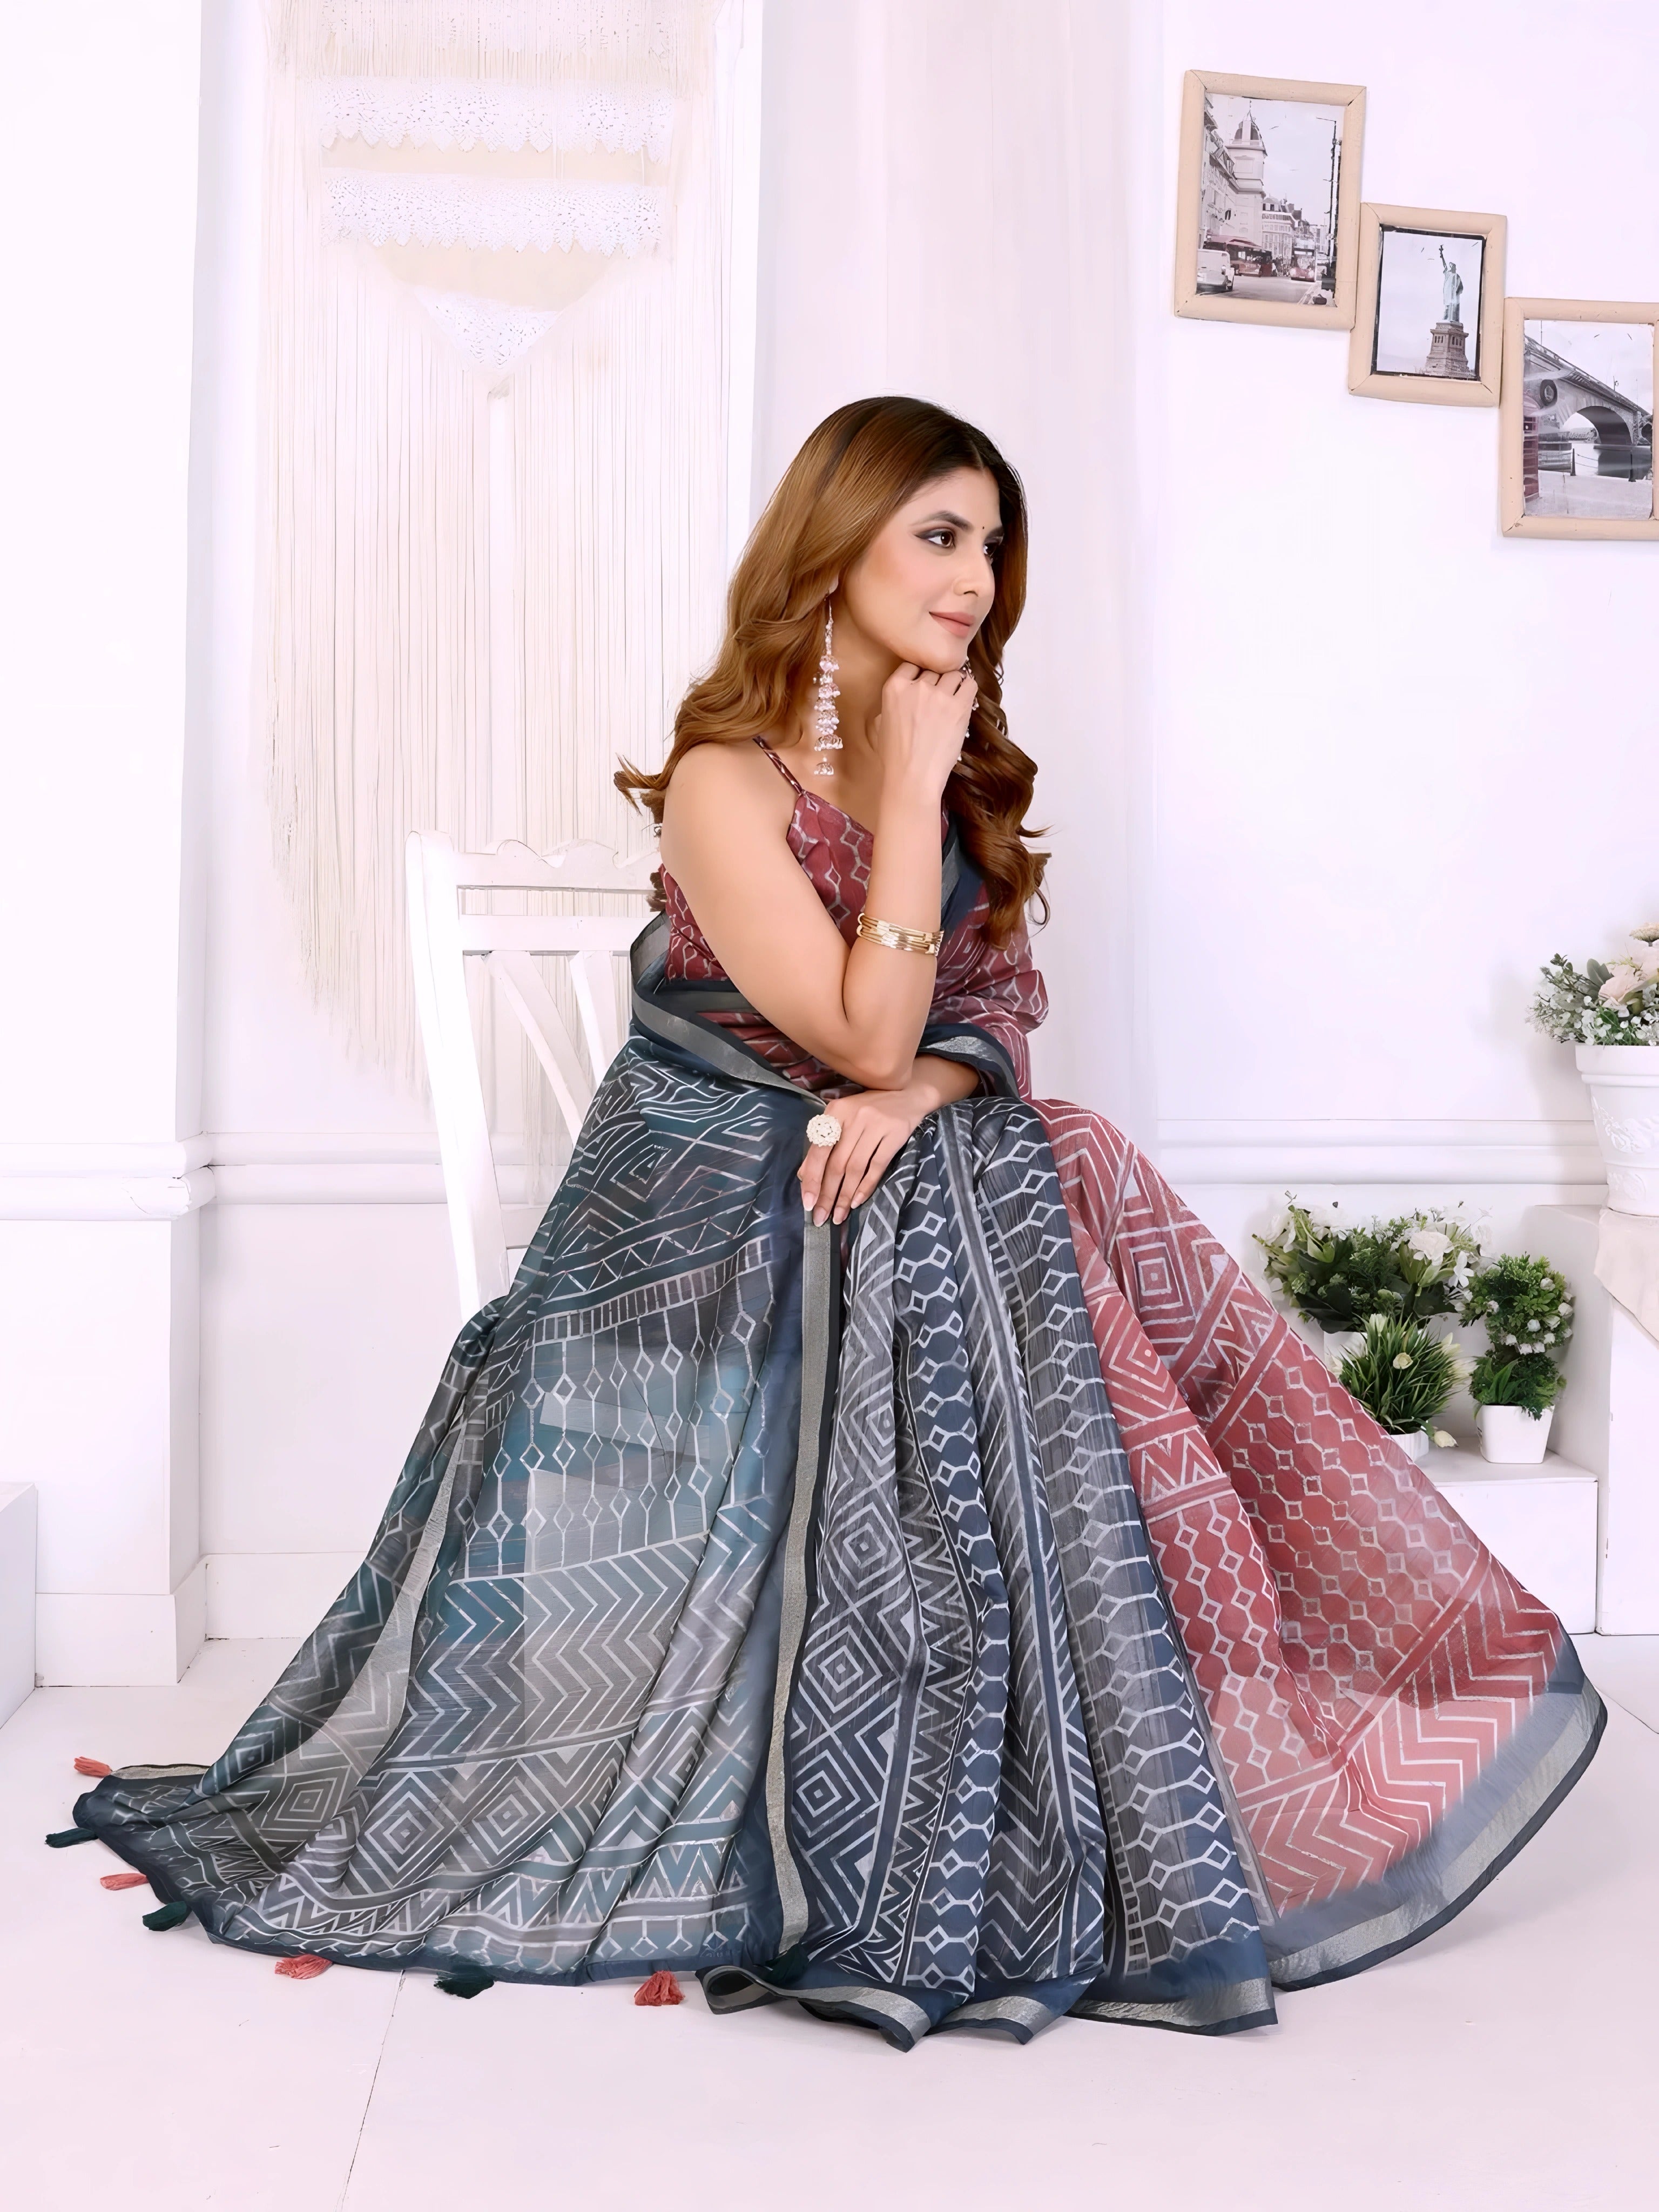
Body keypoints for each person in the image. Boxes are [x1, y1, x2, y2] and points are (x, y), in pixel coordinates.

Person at [65, 397, 1602, 2046]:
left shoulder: (952, 768)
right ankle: (1096, 1751)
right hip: (704, 1203)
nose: (976, 576)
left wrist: (916, 1093)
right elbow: (862, 1031)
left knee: (1033, 1159)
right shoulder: (724, 780)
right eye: (938, 534)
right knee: (1022, 1177)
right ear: (836, 545)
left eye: (991, 542)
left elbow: (981, 1021)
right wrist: (909, 854)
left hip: (879, 1172)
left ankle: (1144, 1748)